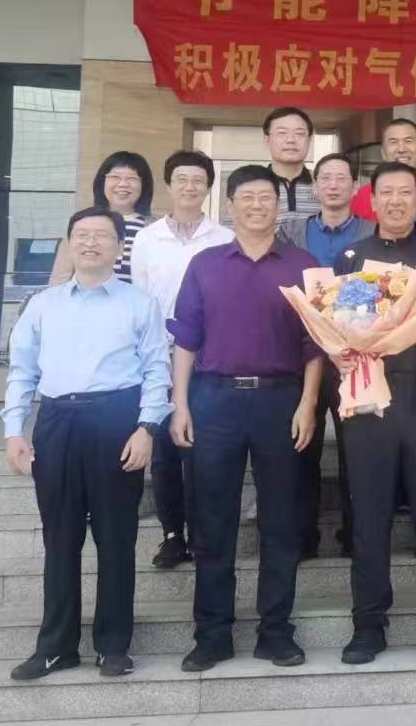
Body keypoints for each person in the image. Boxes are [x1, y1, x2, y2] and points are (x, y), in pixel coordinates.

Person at [2, 207, 171, 681]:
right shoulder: (43, 304)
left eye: (101, 235)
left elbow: (156, 369)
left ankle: (113, 646)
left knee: (116, 538)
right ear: (69, 243)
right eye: (81, 234)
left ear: (119, 247)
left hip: (117, 420)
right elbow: (22, 371)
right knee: (60, 537)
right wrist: (14, 430)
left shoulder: (139, 304)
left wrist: (146, 428)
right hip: (57, 422)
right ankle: (56, 646)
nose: (91, 242)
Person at [168, 164, 324, 672]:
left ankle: (275, 632)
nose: (257, 206)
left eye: (266, 198)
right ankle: (212, 634)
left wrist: (308, 403)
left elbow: (316, 344)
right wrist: (181, 403)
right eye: (247, 198)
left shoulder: (304, 264)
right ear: (230, 205)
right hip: (215, 401)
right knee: (213, 521)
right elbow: (186, 339)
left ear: (279, 206)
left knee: (282, 520)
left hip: (281, 400)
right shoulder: (205, 264)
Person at [334, 162, 416, 665]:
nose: (395, 201)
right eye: (385, 193)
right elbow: (340, 327)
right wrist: (339, 355)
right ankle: (368, 627)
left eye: (404, 193)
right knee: (370, 520)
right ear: (372, 202)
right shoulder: (352, 257)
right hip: (371, 400)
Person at [130, 150, 234, 570]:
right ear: (169, 185)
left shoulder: (224, 238)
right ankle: (173, 534)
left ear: (208, 188)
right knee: (165, 452)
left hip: (209, 357)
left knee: (203, 447)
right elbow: (139, 299)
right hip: (159, 354)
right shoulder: (146, 239)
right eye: (181, 179)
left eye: (198, 180)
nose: (190, 187)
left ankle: (204, 532)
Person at [276, 152, 374, 559]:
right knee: (302, 445)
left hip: (356, 356)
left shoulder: (372, 231)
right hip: (303, 354)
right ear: (314, 188)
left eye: (341, 178)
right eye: (326, 179)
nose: (333, 185)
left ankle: (357, 536)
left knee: (358, 450)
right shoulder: (290, 233)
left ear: (355, 187)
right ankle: (303, 537)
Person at [49, 151, 154, 285]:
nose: (123, 184)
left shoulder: (155, 228)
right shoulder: (82, 223)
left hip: (137, 298)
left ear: (143, 185)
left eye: (132, 178)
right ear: (102, 182)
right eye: (115, 177)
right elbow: (60, 278)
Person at [351, 118, 416, 219]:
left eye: (408, 141)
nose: (401, 149)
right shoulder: (361, 197)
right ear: (383, 153)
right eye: (393, 142)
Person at [261, 106, 321, 229]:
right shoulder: (251, 186)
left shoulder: (324, 185)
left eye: (299, 134)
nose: (290, 140)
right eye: (282, 133)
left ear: (309, 140)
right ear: (267, 139)